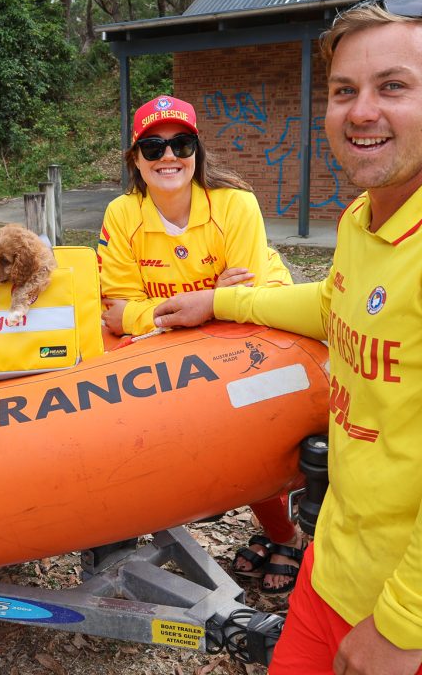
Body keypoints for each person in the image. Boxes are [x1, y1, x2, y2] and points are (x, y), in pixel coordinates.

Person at [154, 0, 422, 675]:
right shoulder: (366, 217)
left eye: (393, 87)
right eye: (344, 89)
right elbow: (337, 305)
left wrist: (401, 626)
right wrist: (225, 303)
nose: (361, 112)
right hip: (338, 573)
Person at [99, 95, 304, 593]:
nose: (168, 157)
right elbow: (116, 310)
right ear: (135, 159)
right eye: (153, 146)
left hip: (257, 324)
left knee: (256, 423)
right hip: (195, 332)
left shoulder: (236, 205)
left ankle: (289, 535)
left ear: (197, 151)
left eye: (181, 143)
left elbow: (250, 299)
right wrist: (212, 299)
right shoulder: (123, 214)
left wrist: (194, 307)